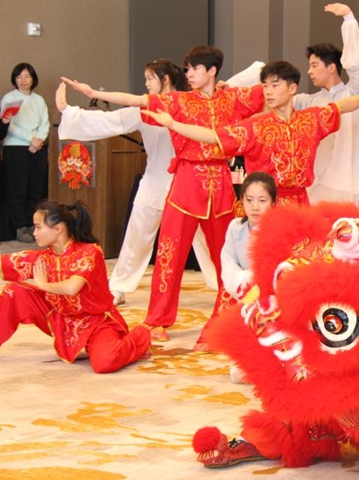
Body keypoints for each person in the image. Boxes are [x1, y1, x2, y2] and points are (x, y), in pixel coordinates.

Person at [62, 45, 265, 350]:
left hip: (221, 185)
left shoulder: (233, 98)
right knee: (169, 255)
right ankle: (157, 319)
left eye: (195, 68)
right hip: (185, 184)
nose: (189, 74)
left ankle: (225, 319)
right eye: (187, 69)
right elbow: (138, 101)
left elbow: (270, 87)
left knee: (228, 256)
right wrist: (93, 92)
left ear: (211, 71)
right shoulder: (179, 101)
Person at [56, 59, 218, 307]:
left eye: (150, 78)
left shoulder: (190, 104)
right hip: (155, 179)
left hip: (189, 180)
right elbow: (111, 120)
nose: (146, 83)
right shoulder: (146, 108)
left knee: (205, 238)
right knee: (137, 235)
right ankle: (119, 287)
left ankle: (225, 286)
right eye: (145, 79)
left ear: (165, 79)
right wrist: (69, 112)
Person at [142, 61, 359, 207]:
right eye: (265, 86)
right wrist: (174, 124)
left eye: (275, 85)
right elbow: (213, 136)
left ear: (292, 89)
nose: (268, 92)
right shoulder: (255, 126)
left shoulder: (310, 120)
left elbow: (340, 106)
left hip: (300, 205)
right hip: (264, 206)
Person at [0, 201, 151, 373]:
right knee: (14, 291)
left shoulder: (89, 252)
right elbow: (5, 263)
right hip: (61, 318)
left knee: (105, 362)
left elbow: (72, 287)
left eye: (38, 227)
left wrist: (43, 284)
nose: (34, 233)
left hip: (96, 322)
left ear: (58, 229)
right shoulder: (43, 257)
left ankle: (141, 335)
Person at [296, 3, 359, 210]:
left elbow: (358, 65)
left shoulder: (353, 92)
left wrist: (349, 19)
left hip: (350, 183)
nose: (309, 71)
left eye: (314, 66)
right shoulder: (308, 101)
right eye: (309, 66)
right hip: (317, 185)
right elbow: (276, 96)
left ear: (331, 67)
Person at [215, 172, 276, 378]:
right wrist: (244, 281)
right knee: (238, 374)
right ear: (242, 200)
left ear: (273, 202)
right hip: (245, 297)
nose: (255, 207)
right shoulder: (235, 228)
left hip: (272, 303)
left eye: (262, 201)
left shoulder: (279, 230)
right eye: (249, 200)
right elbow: (228, 262)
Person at [1, 63, 50, 243]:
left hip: (37, 148)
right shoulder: (9, 98)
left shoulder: (39, 100)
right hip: (16, 148)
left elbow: (45, 123)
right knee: (18, 189)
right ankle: (20, 226)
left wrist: (39, 141)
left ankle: (33, 224)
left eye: (27, 76)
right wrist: (31, 139)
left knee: (35, 189)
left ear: (33, 79)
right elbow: (9, 125)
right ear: (14, 79)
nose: (23, 80)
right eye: (19, 77)